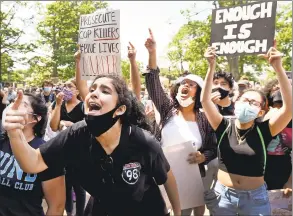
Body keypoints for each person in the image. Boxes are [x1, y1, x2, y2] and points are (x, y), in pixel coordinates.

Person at [3, 74, 181, 216]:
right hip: (104, 207)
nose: (93, 93)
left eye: (105, 91)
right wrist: (14, 133)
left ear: (119, 109)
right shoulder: (76, 135)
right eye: (92, 89)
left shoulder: (143, 142)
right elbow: (32, 163)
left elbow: (167, 178)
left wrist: (178, 212)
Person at [201, 45, 292, 215]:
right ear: (236, 103)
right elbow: (205, 101)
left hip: (255, 201)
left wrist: (278, 67)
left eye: (253, 103)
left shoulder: (265, 129)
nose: (247, 104)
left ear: (261, 111)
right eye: (244, 100)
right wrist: (210, 66)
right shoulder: (223, 125)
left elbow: (289, 108)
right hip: (223, 199)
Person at [144, 28, 217, 216]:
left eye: (192, 85)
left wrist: (203, 157)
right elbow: (153, 83)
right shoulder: (168, 109)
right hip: (161, 173)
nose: (186, 86)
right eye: (183, 83)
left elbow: (212, 148)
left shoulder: (205, 118)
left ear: (199, 92)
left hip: (190, 178)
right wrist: (152, 53)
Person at [0, 93, 65, 216]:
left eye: (22, 104)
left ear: (35, 118)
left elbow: (56, 207)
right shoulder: (2, 140)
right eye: (13, 102)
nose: (14, 107)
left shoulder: (47, 152)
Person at [50, 78, 86, 216]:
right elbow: (53, 126)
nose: (66, 88)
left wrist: (72, 125)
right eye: (64, 86)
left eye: (70, 86)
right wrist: (58, 105)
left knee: (79, 186)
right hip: (63, 150)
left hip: (80, 152)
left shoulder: (83, 106)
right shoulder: (58, 104)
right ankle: (69, 212)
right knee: (66, 186)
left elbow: (90, 126)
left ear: (77, 90)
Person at [263, 89, 292, 195]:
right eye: (276, 105)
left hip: (284, 166)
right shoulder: (262, 117)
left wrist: (290, 182)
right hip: (262, 166)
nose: (280, 110)